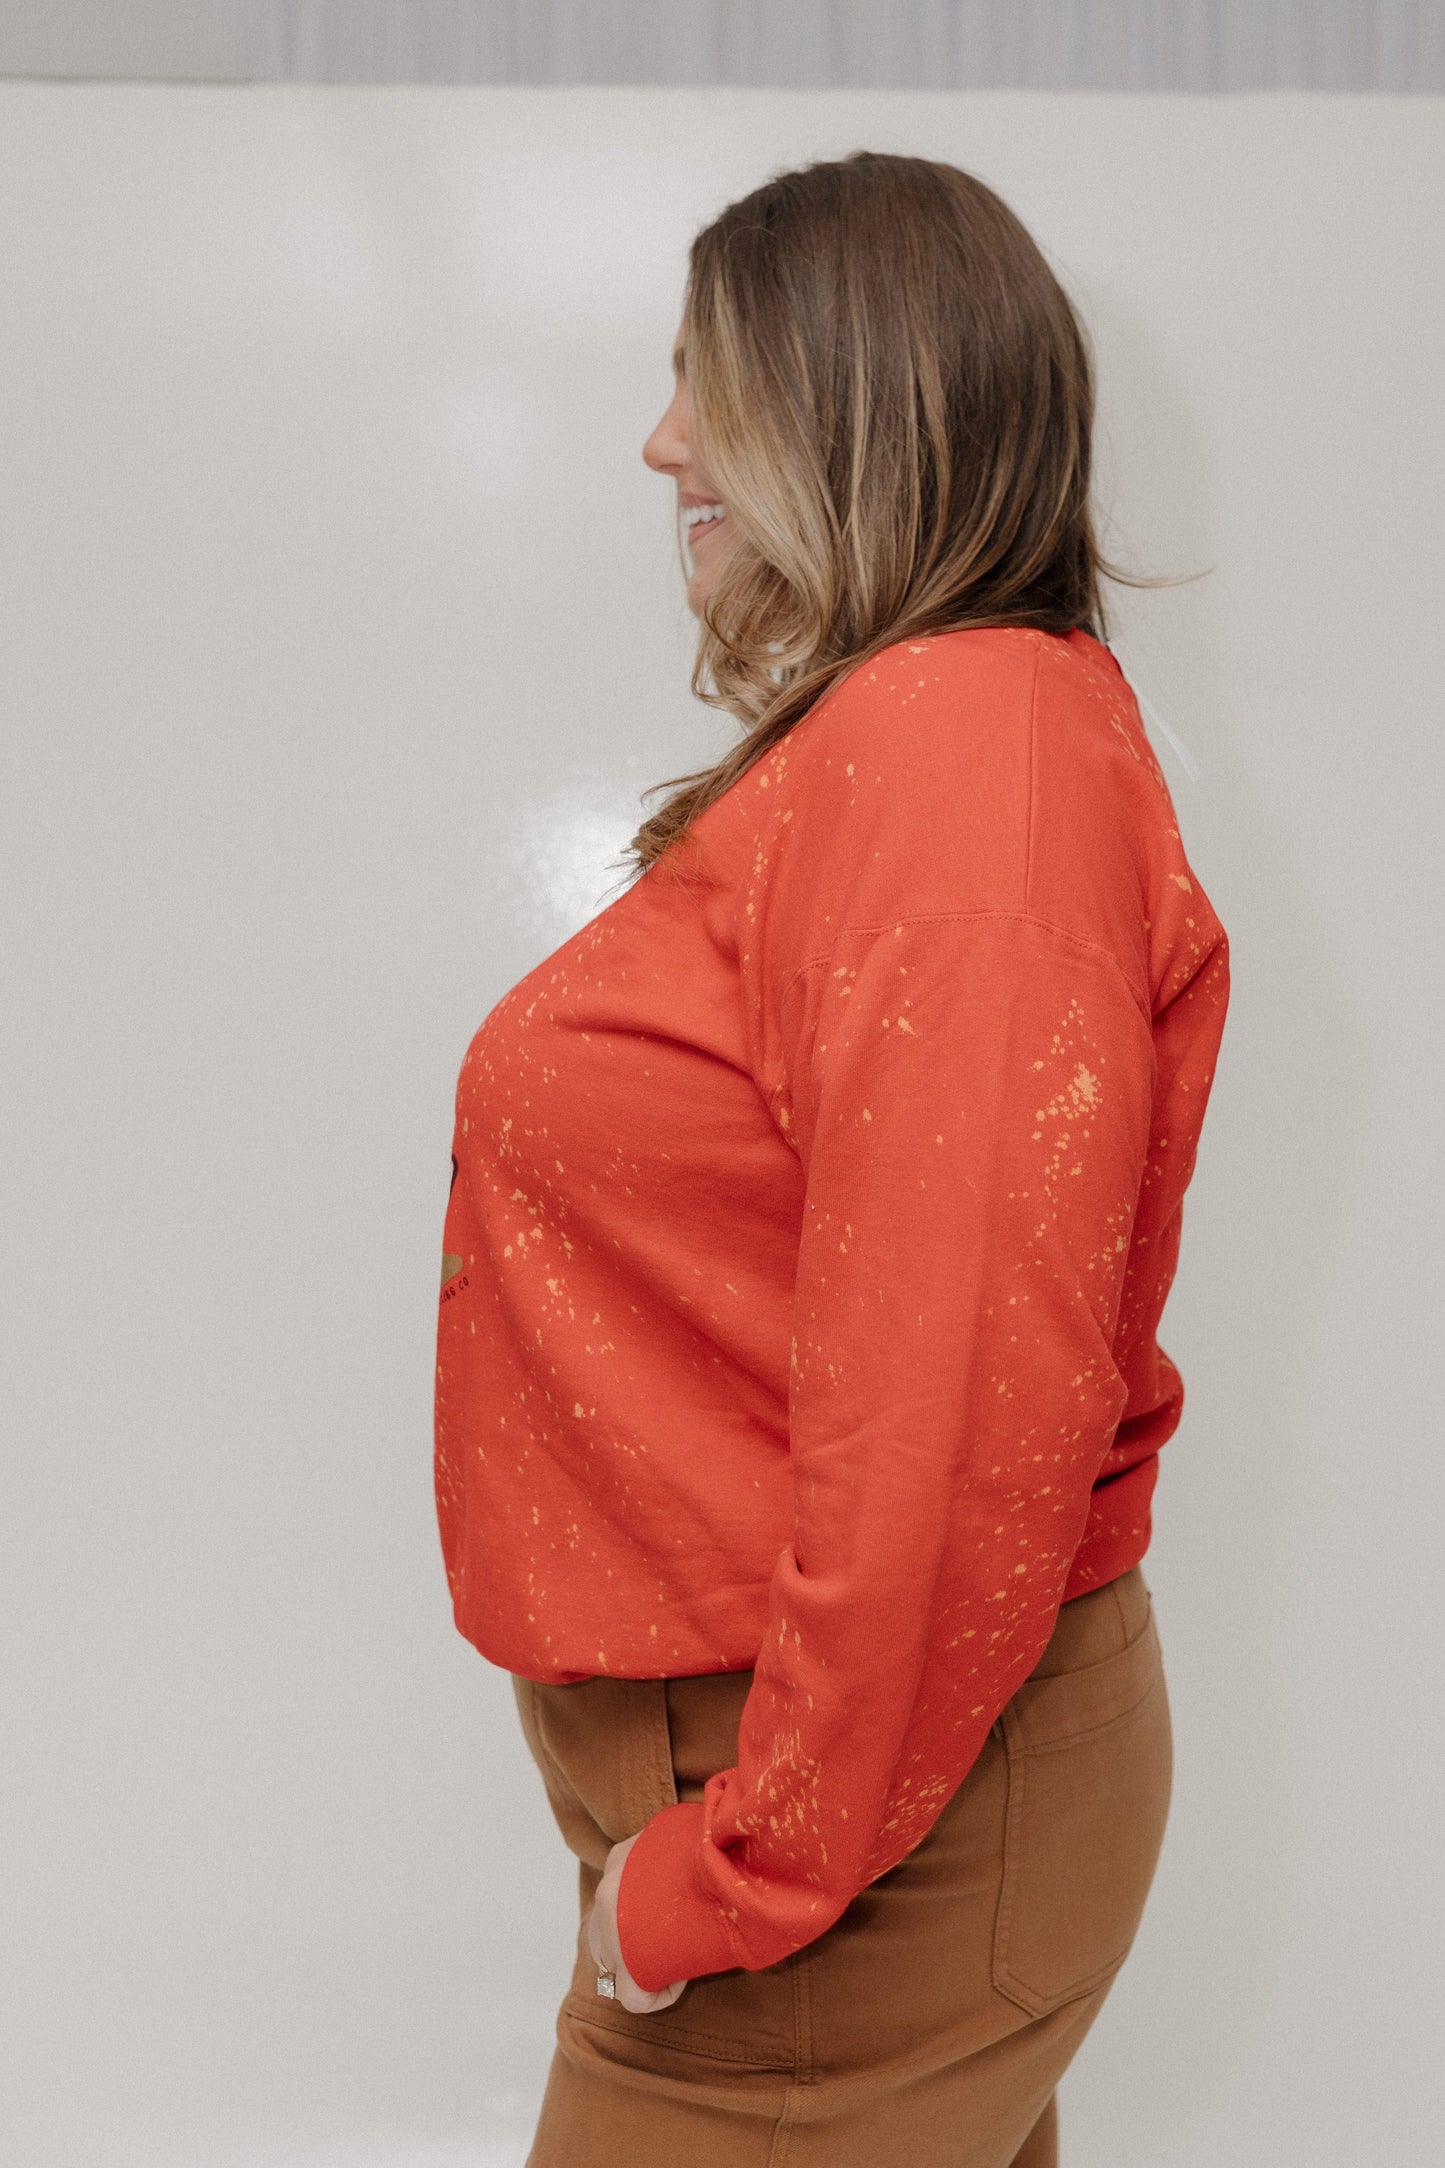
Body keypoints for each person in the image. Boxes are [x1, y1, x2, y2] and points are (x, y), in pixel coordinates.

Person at [434, 150, 1230, 2167]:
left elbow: (958, 1405)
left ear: (854, 401)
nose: (660, 441)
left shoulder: (973, 761)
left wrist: (726, 1875)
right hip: (856, 1808)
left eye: (709, 381)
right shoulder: (927, 742)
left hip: (853, 1846)